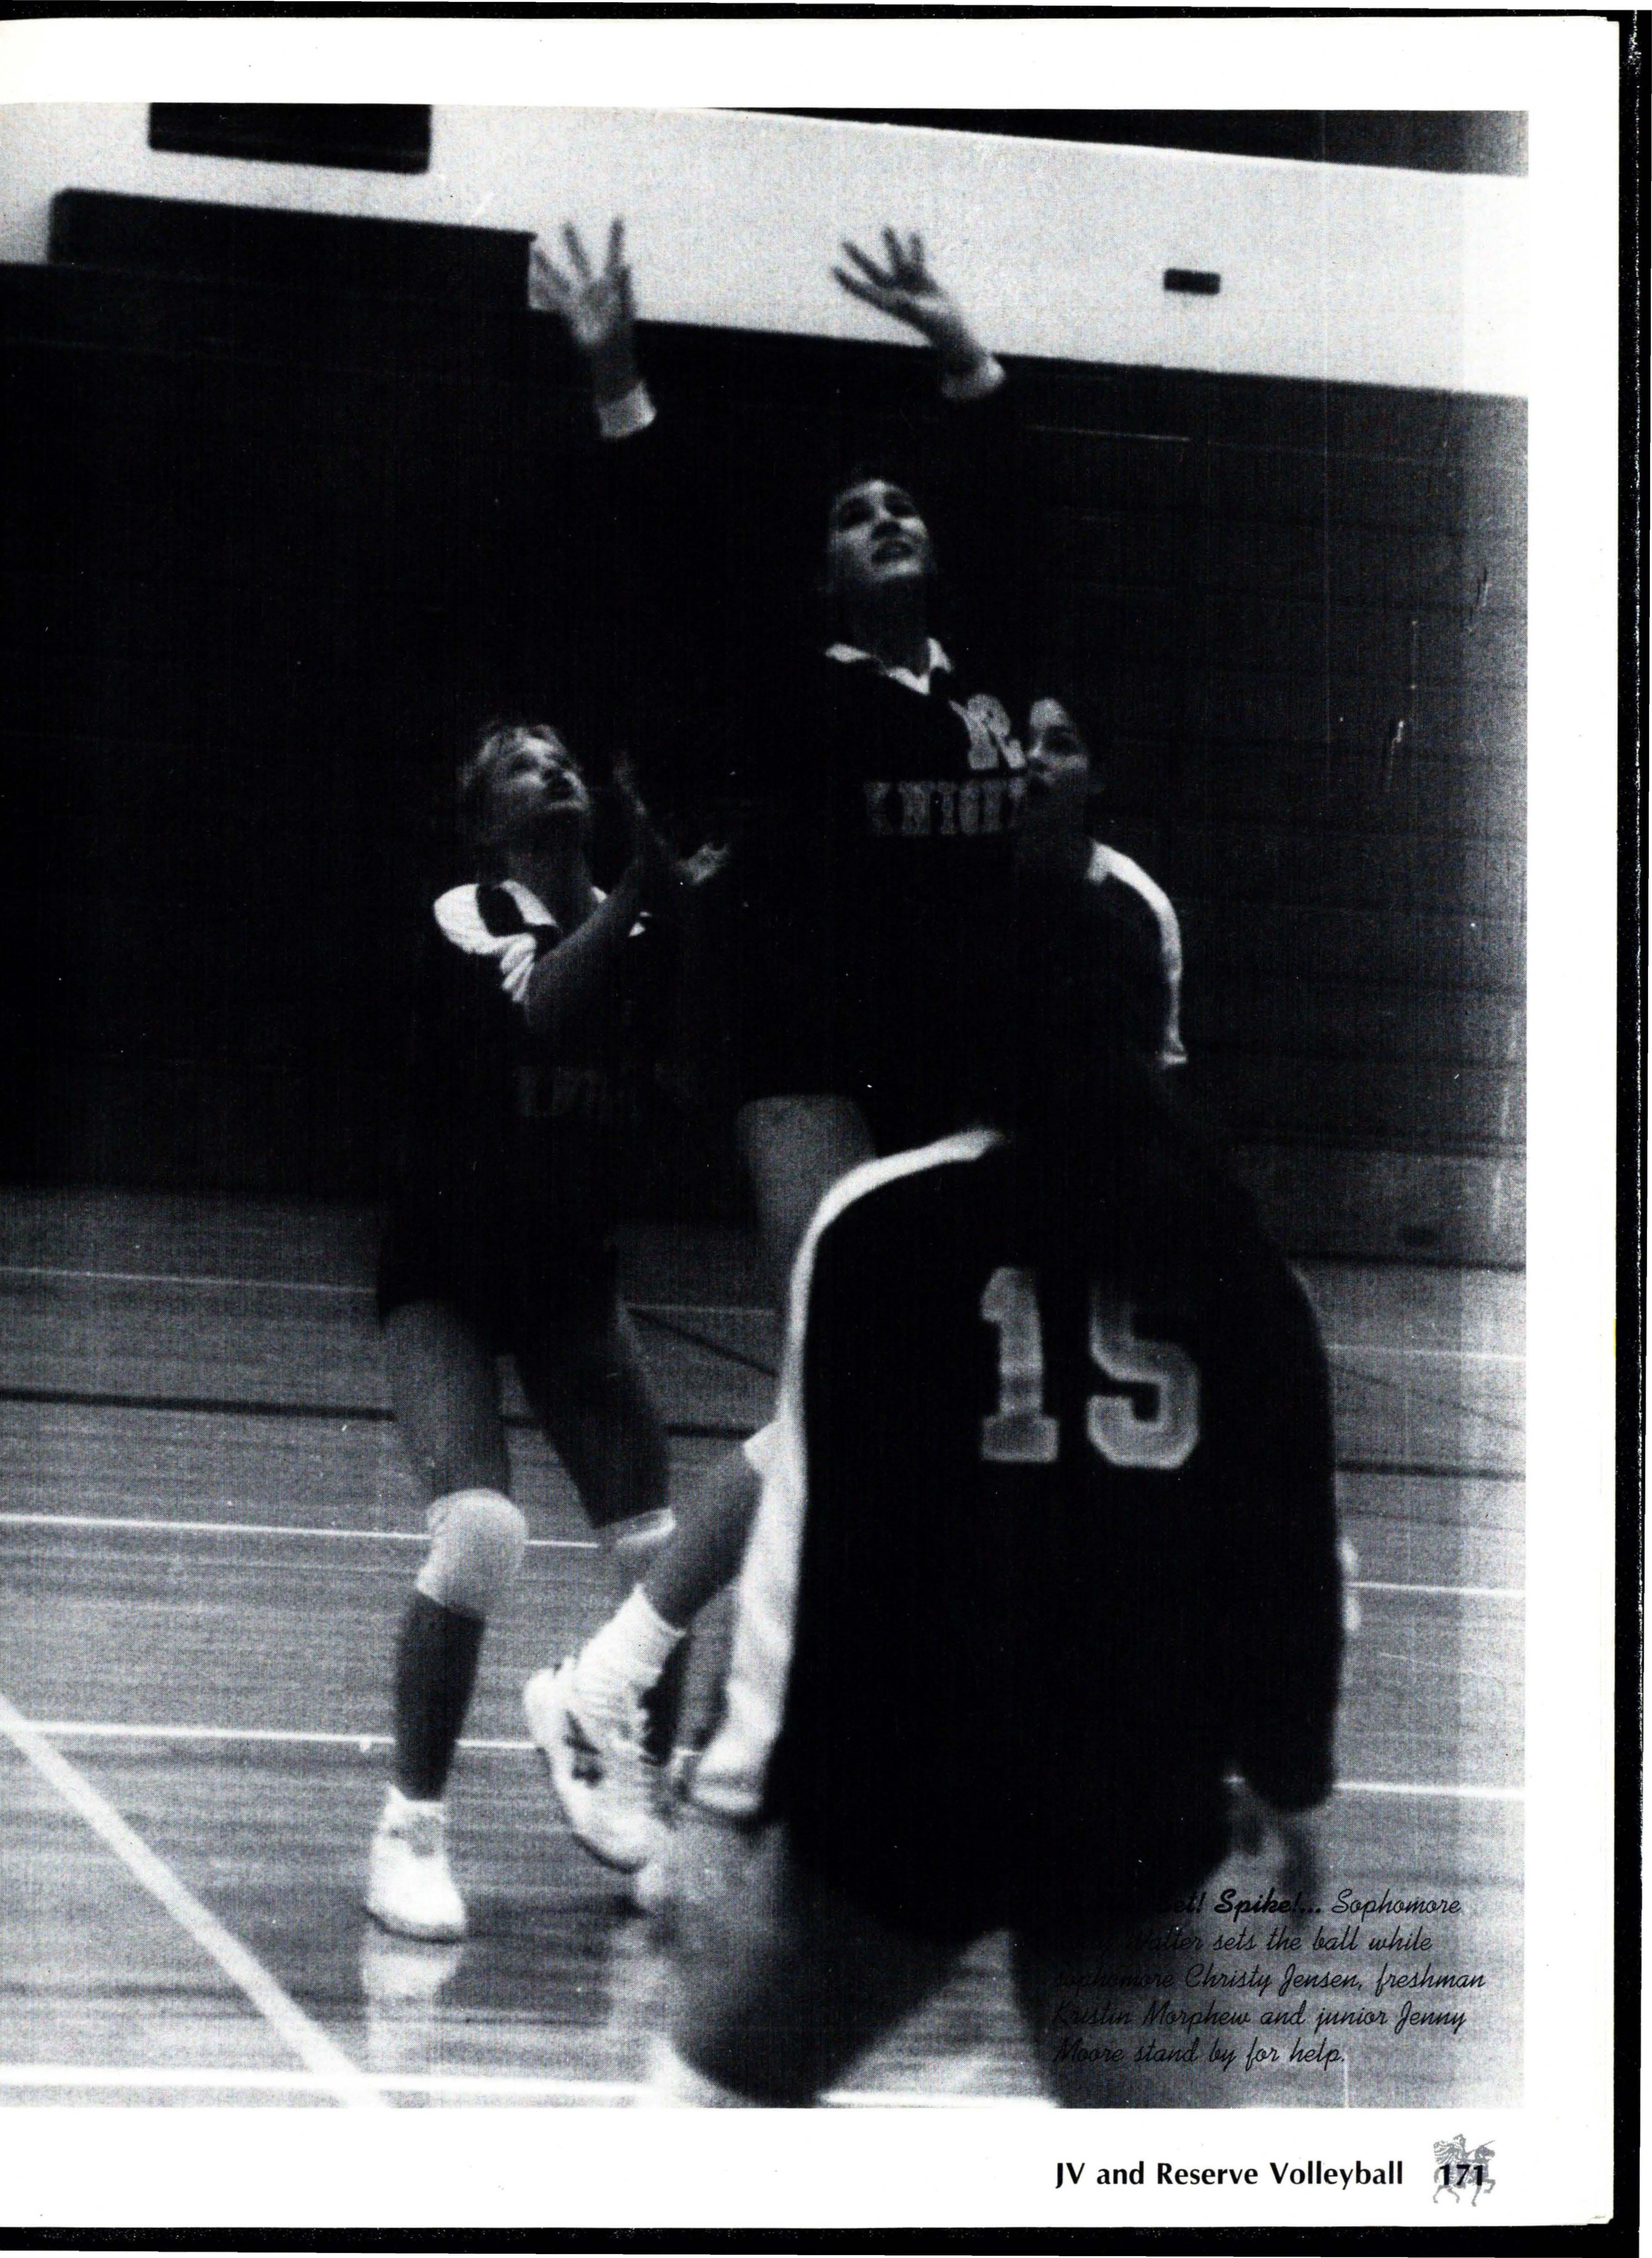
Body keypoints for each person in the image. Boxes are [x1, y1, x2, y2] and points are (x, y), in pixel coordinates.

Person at [524, 219, 1187, 1876]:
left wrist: (963, 356)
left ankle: (672, 1725)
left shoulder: (984, 695)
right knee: (841, 1395)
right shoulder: (792, 689)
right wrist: (615, 376)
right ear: (825, 577)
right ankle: (625, 1699)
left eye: (901, 505)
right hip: (806, 1068)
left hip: (952, 1086)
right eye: (851, 515)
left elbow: (1026, 518)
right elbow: (666, 550)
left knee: (871, 1423)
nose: (884, 518)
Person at [642, 816, 1341, 2104]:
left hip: (907, 1793)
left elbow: (803, 1552)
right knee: (1180, 2173)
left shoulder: (882, 1225)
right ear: (1155, 1033)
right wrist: (1290, 1780)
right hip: (1128, 1793)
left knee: (706, 2111)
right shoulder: (1240, 1256)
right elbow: (1296, 1559)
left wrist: (723, 1805)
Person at [366, 719, 721, 1938]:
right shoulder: (470, 915)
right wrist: (650, 879)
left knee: (661, 1550)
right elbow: (550, 1012)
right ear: (483, 820)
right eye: (522, 764)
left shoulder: (646, 925)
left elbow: (693, 1065)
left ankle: (635, 1791)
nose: (554, 769)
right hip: (447, 1275)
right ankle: (410, 1831)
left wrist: (705, 909)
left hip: (571, 1279)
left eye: (564, 756)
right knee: (480, 1532)